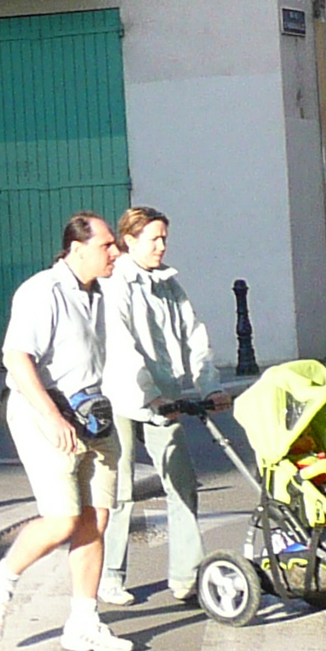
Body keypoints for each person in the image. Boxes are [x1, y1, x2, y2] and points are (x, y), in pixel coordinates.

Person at [0, 213, 134, 651]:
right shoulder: (43, 290)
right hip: (46, 412)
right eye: (106, 246)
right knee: (63, 519)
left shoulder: (101, 290)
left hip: (93, 412)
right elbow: (17, 357)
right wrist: (51, 418)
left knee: (95, 520)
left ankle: (83, 621)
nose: (114, 252)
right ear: (76, 249)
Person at [98, 205, 218, 605]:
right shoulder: (115, 284)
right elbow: (123, 347)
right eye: (154, 238)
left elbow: (194, 335)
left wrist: (207, 386)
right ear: (129, 241)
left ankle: (187, 576)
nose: (162, 246)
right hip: (122, 395)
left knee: (181, 481)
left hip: (164, 398)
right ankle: (110, 575)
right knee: (119, 489)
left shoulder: (168, 285)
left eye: (165, 237)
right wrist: (153, 394)